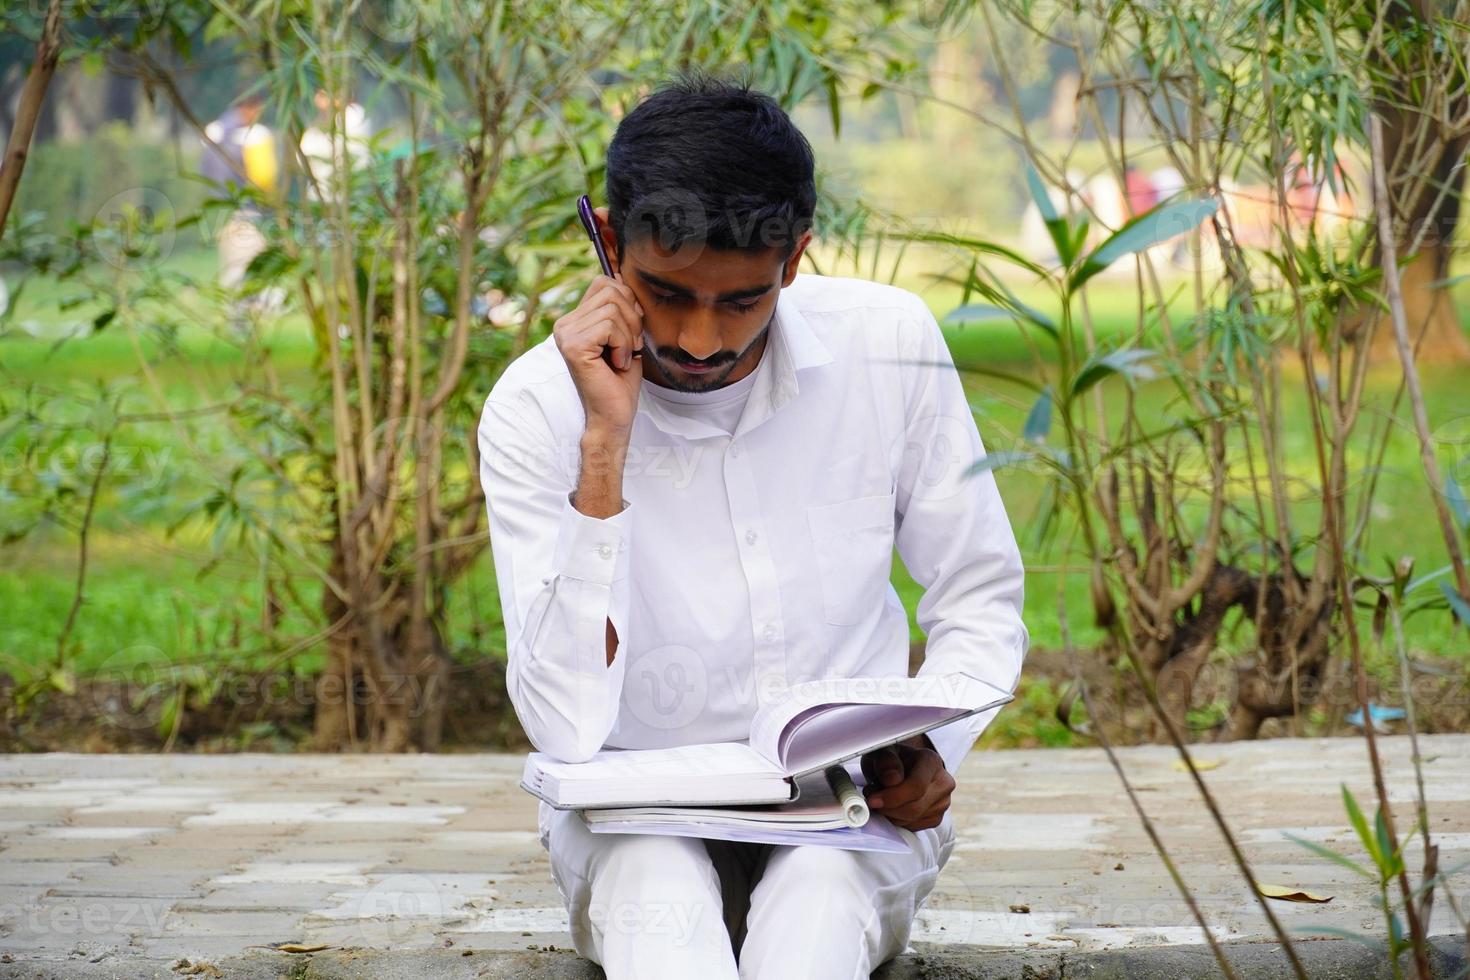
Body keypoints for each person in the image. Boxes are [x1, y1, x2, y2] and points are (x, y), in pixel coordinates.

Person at [477, 73, 1029, 979]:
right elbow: (564, 726)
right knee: (661, 911)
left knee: (815, 911)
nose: (700, 340)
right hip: (630, 822)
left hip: (852, 810)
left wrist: (933, 742)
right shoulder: (538, 409)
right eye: (667, 294)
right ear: (610, 246)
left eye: (742, 301)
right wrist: (605, 447)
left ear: (796, 259)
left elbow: (980, 592)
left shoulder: (885, 343)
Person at [200, 92, 277, 293]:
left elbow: (205, 169)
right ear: (250, 108)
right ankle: (244, 313)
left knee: (231, 262)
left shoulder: (214, 130)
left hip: (218, 207)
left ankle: (234, 310)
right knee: (250, 261)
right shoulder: (253, 136)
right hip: (246, 208)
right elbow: (263, 177)